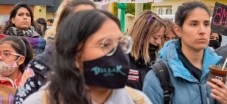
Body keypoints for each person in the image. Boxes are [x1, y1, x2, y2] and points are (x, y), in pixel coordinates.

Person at [23, 9, 152, 104]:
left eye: (121, 43)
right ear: (74, 53)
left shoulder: (138, 101)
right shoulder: (40, 102)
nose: (117, 52)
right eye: (106, 44)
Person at [143, 1, 227, 104]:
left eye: (206, 24)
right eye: (194, 24)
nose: (202, 30)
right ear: (178, 30)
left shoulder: (220, 69)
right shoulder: (159, 76)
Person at [14, 0, 96, 103]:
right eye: (79, 21)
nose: (86, 27)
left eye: (92, 21)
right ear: (63, 25)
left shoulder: (107, 62)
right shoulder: (40, 66)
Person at [126, 10, 166, 90]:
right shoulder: (122, 58)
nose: (159, 42)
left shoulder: (160, 60)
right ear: (142, 36)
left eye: (161, 38)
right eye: (155, 37)